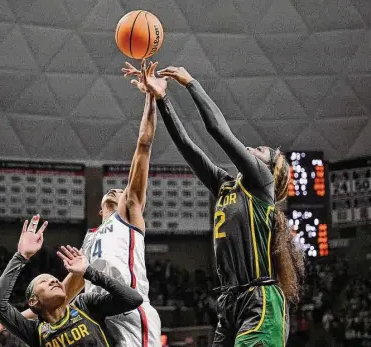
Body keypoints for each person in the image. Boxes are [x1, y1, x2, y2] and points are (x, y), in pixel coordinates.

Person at [0, 63, 161, 347]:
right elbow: (64, 295)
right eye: (115, 188)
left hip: (130, 310)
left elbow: (143, 145)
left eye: (123, 189)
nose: (118, 189)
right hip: (100, 315)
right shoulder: (89, 241)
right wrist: (11, 321)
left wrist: (150, 98)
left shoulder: (128, 214)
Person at [123, 62, 305, 346]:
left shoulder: (261, 183)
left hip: (260, 301)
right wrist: (163, 99)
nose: (250, 148)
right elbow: (186, 146)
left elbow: (218, 130)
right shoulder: (227, 187)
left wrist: (191, 83)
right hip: (230, 300)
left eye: (259, 150)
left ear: (268, 168)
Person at [0, 215, 143, 347]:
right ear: (33, 301)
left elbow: (133, 299)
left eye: (55, 280)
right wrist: (21, 256)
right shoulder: (33, 331)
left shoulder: (84, 305)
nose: (55, 282)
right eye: (44, 282)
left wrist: (89, 272)